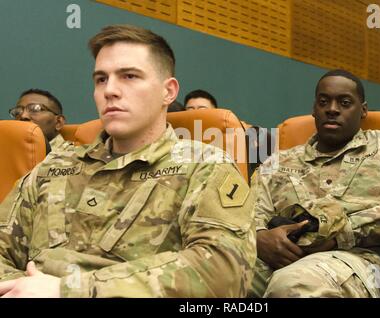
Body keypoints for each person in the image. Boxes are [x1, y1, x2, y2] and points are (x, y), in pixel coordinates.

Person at [0, 24, 255, 298]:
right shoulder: (55, 166)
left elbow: (223, 273)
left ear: (168, 92)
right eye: (101, 79)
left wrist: (68, 291)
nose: (110, 90)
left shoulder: (204, 166)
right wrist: (22, 288)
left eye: (129, 76)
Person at [249, 69, 380, 298]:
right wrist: (259, 238)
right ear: (314, 109)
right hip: (279, 257)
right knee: (211, 278)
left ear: (363, 110)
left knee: (294, 285)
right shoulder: (278, 162)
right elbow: (246, 214)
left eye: (344, 102)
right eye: (324, 102)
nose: (332, 109)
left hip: (364, 262)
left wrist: (341, 233)